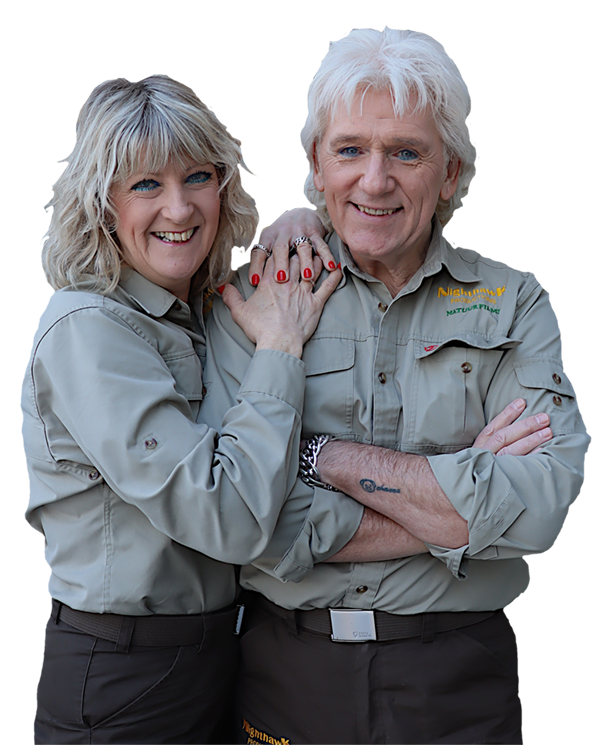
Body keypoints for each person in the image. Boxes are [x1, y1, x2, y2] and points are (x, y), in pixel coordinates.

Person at [198, 29, 589, 745]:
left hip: (461, 680)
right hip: (288, 675)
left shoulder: (516, 306)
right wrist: (460, 504)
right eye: (350, 150)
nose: (374, 181)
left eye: (406, 153)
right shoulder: (258, 293)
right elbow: (237, 517)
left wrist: (321, 458)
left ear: (450, 172)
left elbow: (539, 511)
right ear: (317, 165)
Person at [20, 75, 342, 745]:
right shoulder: (89, 330)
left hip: (220, 658)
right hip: (124, 678)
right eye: (146, 185)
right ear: (102, 204)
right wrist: (279, 349)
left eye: (198, 177)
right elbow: (228, 515)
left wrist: (302, 219)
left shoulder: (197, 310)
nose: (179, 207)